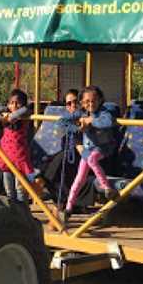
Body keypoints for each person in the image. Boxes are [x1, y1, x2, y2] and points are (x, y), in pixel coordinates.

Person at [61, 85, 117, 223]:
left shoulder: (104, 112)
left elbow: (107, 122)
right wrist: (78, 127)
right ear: (82, 103)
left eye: (93, 101)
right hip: (87, 150)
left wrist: (91, 121)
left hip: (102, 148)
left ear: (100, 100)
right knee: (78, 179)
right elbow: (62, 121)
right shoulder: (81, 112)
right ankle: (68, 207)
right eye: (86, 102)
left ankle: (107, 188)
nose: (90, 104)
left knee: (92, 159)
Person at [0, 88, 34, 203]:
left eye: (18, 103)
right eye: (12, 103)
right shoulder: (6, 111)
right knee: (8, 190)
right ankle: (13, 212)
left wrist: (11, 117)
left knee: (21, 190)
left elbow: (25, 110)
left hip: (19, 157)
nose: (14, 105)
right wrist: (0, 118)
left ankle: (23, 214)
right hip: (5, 156)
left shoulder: (24, 113)